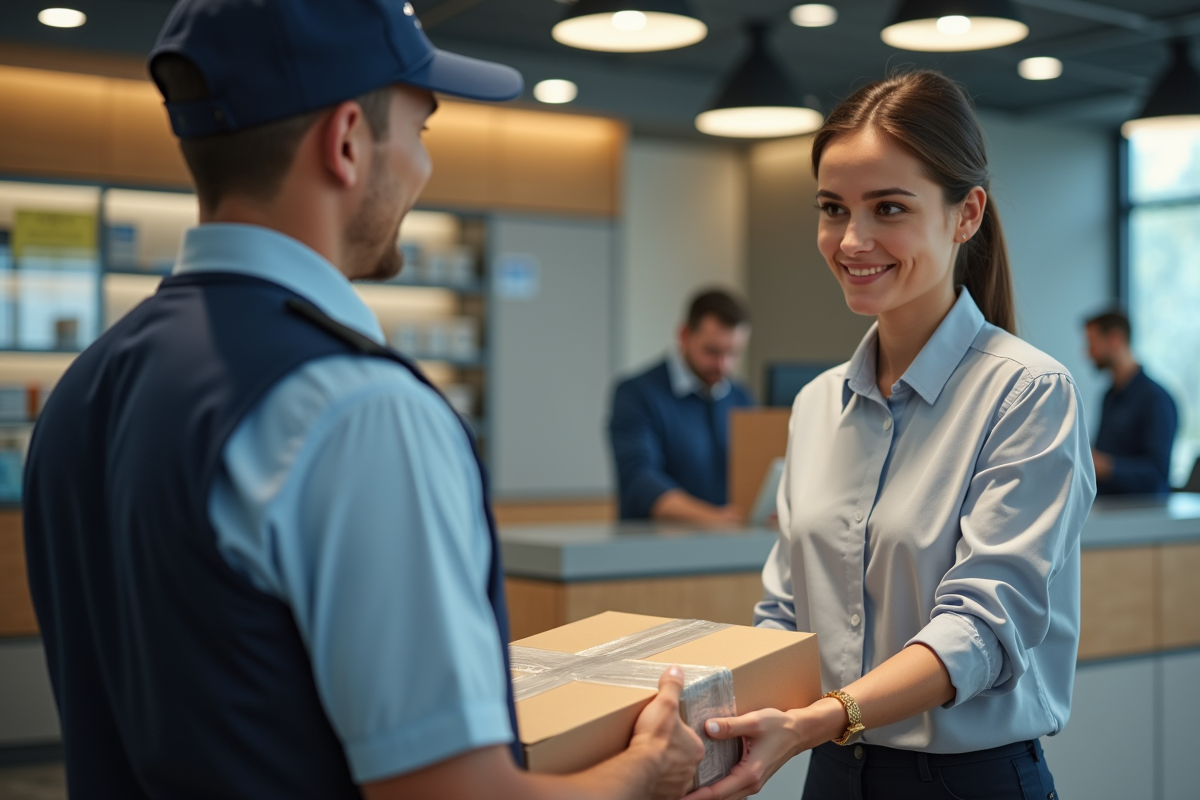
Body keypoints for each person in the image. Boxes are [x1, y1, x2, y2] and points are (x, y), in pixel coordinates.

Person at [21, 2, 704, 799]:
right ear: (346, 142)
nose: (423, 166)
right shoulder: (358, 411)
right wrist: (644, 772)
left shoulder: (85, 386)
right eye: (420, 131)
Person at [687, 71, 1095, 800]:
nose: (852, 240)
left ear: (965, 214)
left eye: (888, 209)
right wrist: (704, 716)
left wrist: (825, 717)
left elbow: (980, 630)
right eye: (833, 208)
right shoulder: (816, 405)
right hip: (833, 776)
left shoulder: (1027, 393)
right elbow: (785, 612)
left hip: (969, 782)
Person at [608, 289, 755, 524]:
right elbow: (640, 480)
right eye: (712, 351)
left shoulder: (741, 398)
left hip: (728, 548)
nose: (723, 365)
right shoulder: (636, 394)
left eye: (733, 354)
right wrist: (712, 518)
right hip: (654, 550)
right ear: (685, 335)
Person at [1085, 310, 1177, 495]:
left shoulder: (1155, 398)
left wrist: (1103, 466)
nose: (1088, 352)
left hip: (1142, 515)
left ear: (1114, 339)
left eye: (1092, 343)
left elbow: (1158, 472)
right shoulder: (1109, 396)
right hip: (1108, 509)